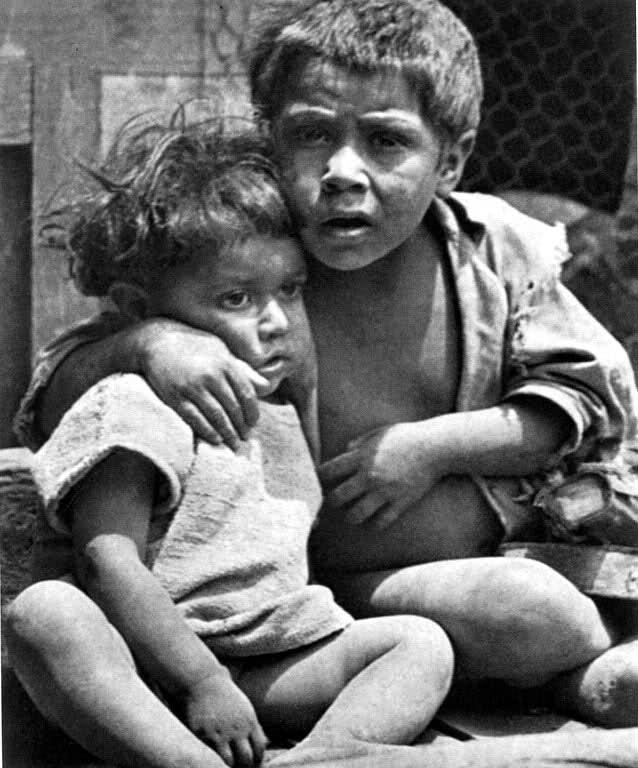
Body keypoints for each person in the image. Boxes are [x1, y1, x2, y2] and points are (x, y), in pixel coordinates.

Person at [12, 0, 638, 726]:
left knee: (531, 603)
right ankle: (566, 672)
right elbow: (54, 394)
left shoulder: (492, 251)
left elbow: (589, 400)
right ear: (267, 138)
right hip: (294, 600)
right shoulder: (246, 253)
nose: (343, 171)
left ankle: (574, 674)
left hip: (474, 562)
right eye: (311, 134)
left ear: (454, 158)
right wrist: (146, 344)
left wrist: (430, 448)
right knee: (530, 612)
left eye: (385, 141)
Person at [5, 117, 455, 768]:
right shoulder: (136, 400)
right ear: (141, 308)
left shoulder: (273, 403)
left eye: (291, 291)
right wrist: (202, 682)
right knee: (44, 616)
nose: (275, 322)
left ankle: (320, 760)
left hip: (272, 655)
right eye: (237, 297)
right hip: (149, 666)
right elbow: (108, 562)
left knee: (420, 644)